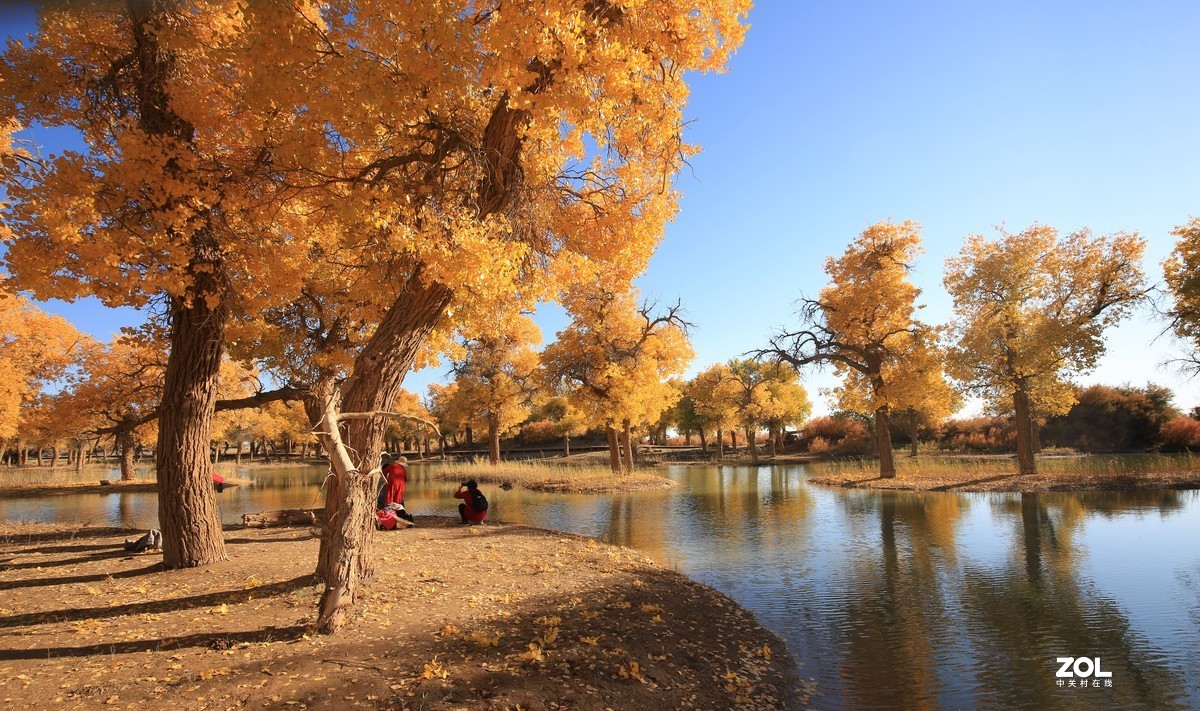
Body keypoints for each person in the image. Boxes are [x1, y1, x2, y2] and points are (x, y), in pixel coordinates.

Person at [376, 453, 414, 529]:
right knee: (398, 500)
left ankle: (389, 517)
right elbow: (406, 479)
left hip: (392, 483)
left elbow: (383, 472)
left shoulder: (393, 465)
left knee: (389, 499)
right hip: (401, 485)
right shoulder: (403, 470)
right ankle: (397, 516)